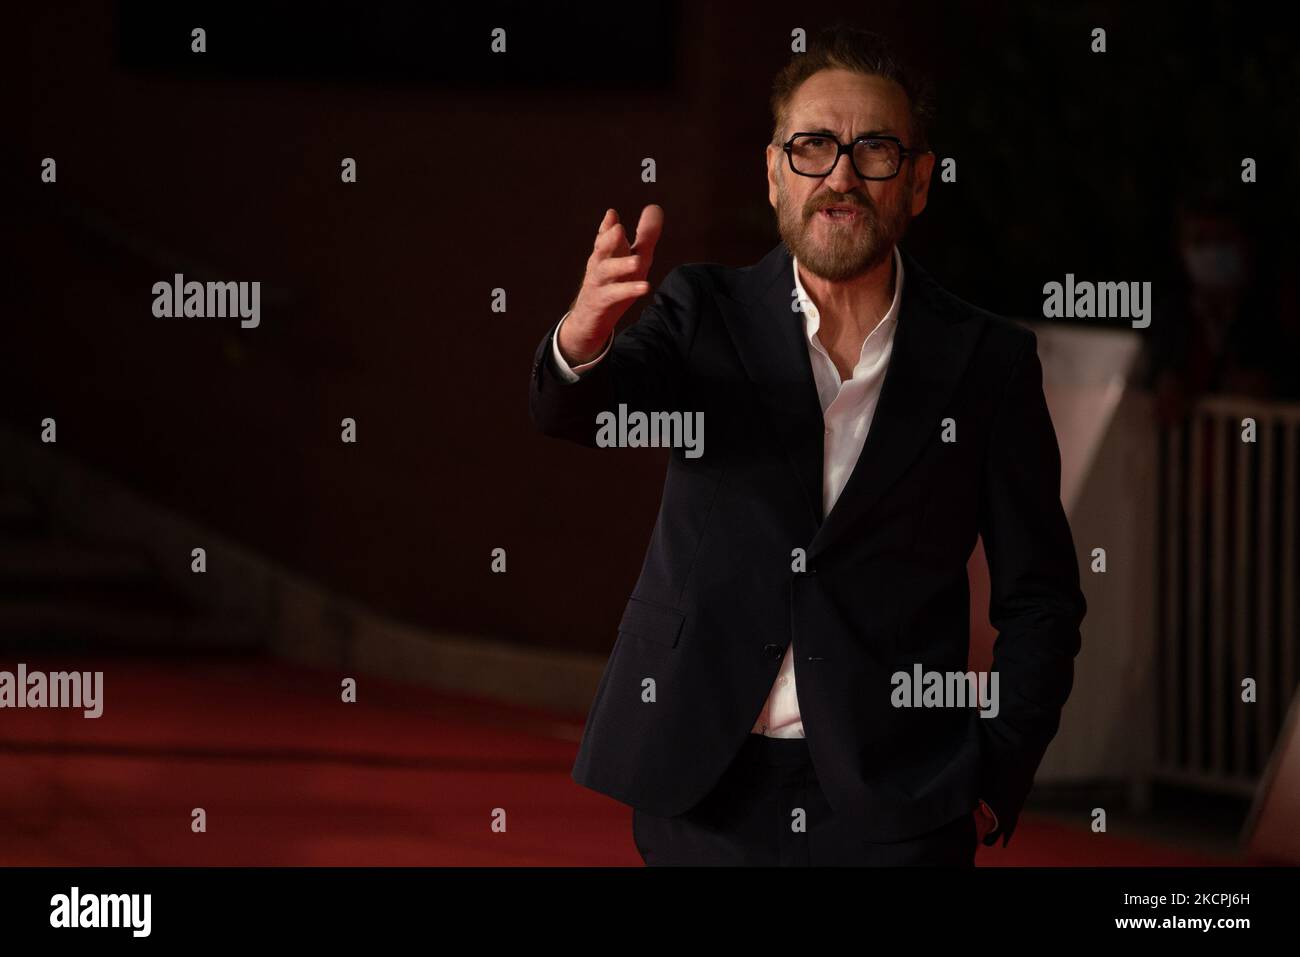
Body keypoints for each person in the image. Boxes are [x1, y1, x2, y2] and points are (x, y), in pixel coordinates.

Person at [528, 25, 1086, 865]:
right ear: (773, 172)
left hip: (898, 803)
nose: (841, 177)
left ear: (921, 181)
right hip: (702, 788)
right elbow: (578, 412)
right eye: (813, 146)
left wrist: (991, 775)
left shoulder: (986, 363)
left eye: (875, 151)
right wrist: (583, 331)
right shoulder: (702, 312)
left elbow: (1040, 597)